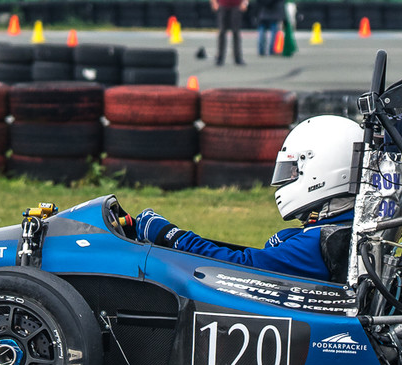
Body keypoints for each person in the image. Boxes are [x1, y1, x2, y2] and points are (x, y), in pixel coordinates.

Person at [127, 115, 361, 281]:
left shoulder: (313, 243)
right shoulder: (346, 228)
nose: (286, 180)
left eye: (292, 172)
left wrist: (171, 236)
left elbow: (240, 268)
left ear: (320, 170)